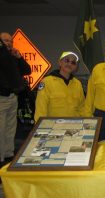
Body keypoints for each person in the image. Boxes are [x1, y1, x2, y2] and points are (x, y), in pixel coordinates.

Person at [0, 32, 31, 162]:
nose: (9, 43)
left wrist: (19, 57)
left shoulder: (13, 57)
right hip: (1, 97)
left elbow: (27, 70)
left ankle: (8, 153)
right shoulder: (3, 56)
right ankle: (0, 157)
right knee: (1, 129)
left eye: (11, 41)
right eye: (6, 41)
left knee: (11, 127)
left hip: (13, 97)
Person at [34, 51, 85, 122]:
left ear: (75, 67)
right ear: (60, 62)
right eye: (67, 60)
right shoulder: (47, 82)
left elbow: (82, 107)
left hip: (74, 126)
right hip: (54, 127)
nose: (69, 64)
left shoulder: (77, 84)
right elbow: (41, 107)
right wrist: (40, 128)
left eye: (73, 63)